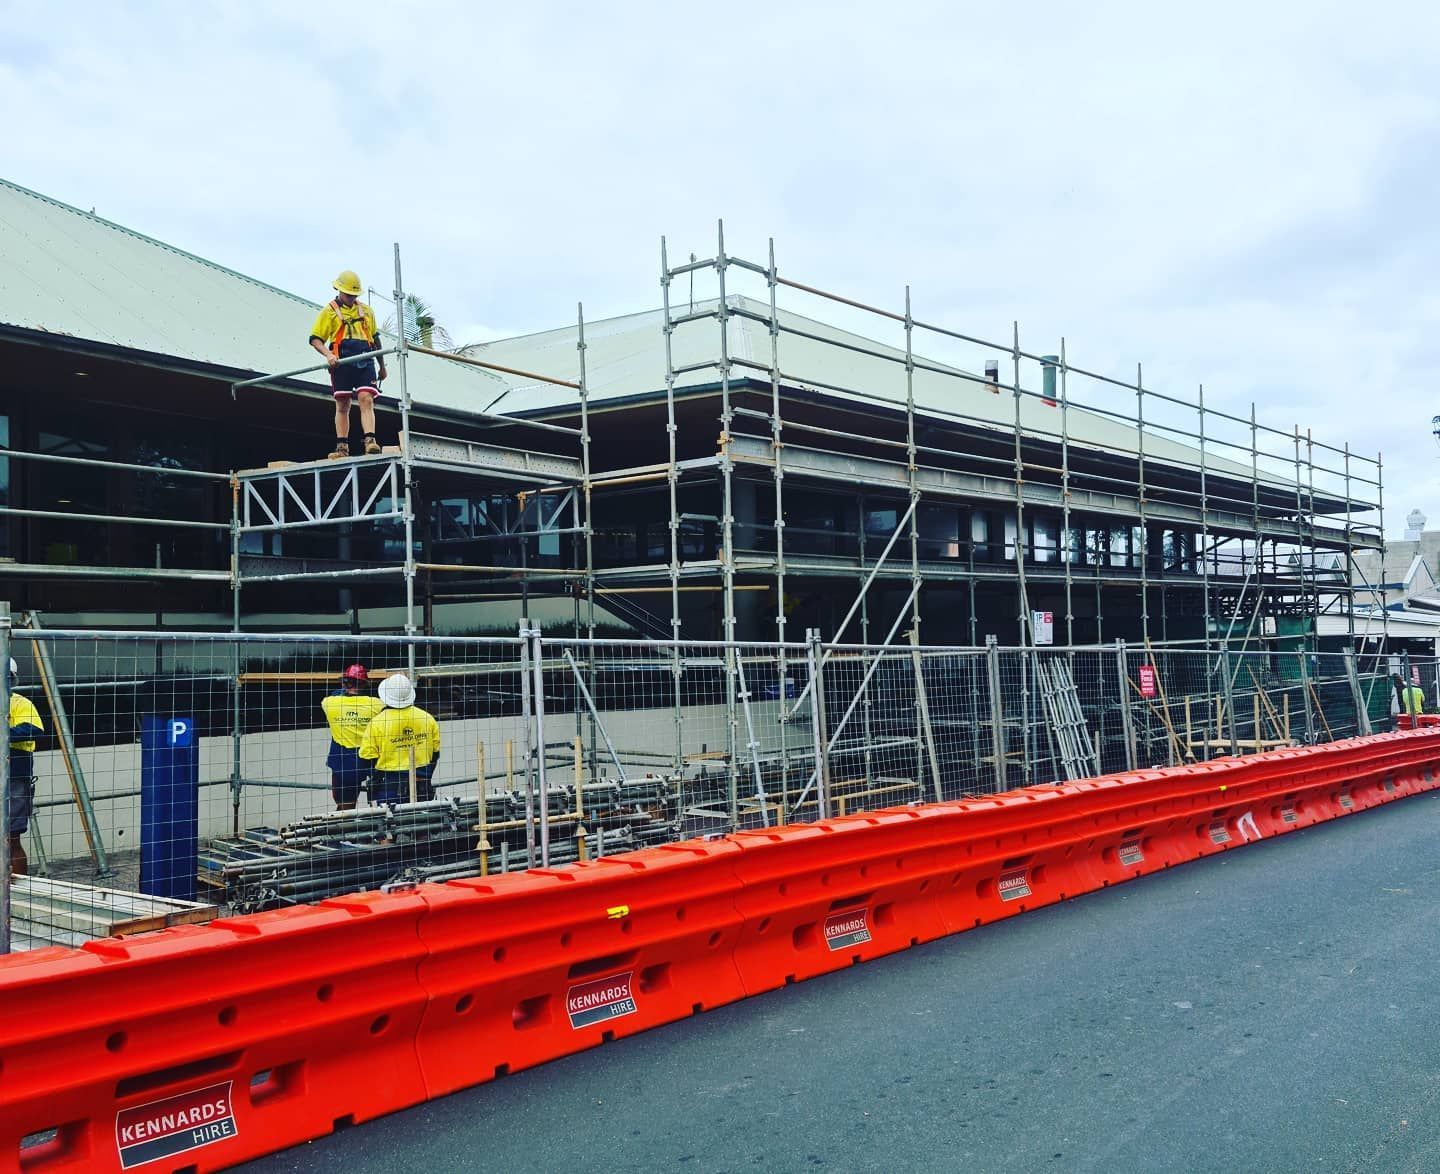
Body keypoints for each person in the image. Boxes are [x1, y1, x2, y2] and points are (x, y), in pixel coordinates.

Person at [308, 269, 388, 460]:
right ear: (339, 290)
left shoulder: (367, 311)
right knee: (343, 403)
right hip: (342, 361)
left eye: (354, 295)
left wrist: (382, 366)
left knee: (366, 398)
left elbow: (375, 339)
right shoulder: (329, 311)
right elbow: (315, 339)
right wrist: (328, 355)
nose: (351, 298)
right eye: (348, 294)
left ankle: (370, 441)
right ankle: (342, 447)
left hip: (364, 358)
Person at [358, 674, 441, 805]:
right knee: (424, 821)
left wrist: (376, 777)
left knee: (391, 822)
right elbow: (435, 754)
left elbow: (367, 757)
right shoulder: (427, 718)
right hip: (422, 783)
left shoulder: (377, 722)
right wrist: (425, 774)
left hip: (389, 784)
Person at [320, 663, 383, 810]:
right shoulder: (376, 704)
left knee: (345, 807)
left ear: (344, 683)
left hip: (343, 762)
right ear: (364, 685)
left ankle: (344, 828)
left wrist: (345, 688)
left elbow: (336, 693)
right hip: (369, 760)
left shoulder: (329, 703)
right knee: (381, 805)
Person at [7, 658, 44, 875]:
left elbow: (34, 728)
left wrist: (4, 734)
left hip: (14, 777)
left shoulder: (20, 703)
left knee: (12, 838)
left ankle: (17, 892)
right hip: (13, 777)